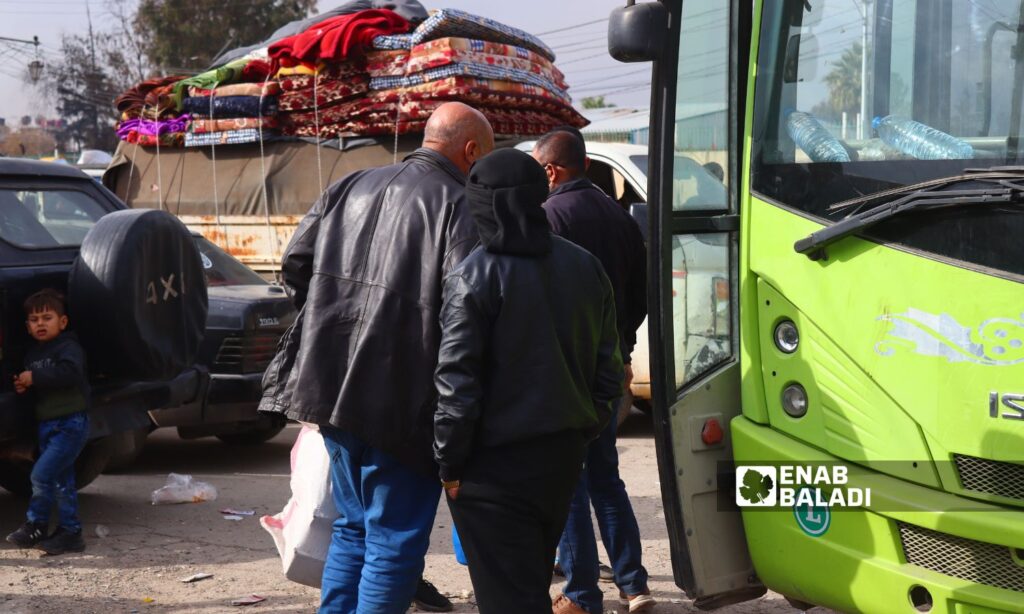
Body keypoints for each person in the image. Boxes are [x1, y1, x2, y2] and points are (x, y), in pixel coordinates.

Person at [258, 101, 494, 614]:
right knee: (392, 538)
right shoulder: (461, 206)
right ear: (469, 150)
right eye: (482, 158)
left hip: (331, 386)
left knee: (353, 526)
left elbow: (295, 263)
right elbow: (466, 314)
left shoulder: (352, 184)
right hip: (402, 400)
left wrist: (330, 323)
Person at [433, 148, 623, 613]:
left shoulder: (472, 277)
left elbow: (457, 385)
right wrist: (583, 429)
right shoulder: (584, 266)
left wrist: (450, 465)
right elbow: (609, 369)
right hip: (560, 460)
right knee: (528, 586)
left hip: (490, 468)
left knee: (508, 598)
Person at [532, 130, 654, 614]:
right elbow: (641, 296)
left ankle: (581, 594)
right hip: (610, 371)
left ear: (551, 170)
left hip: (568, 373)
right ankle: (634, 584)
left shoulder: (548, 218)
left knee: (569, 483)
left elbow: (546, 301)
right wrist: (620, 349)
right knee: (607, 478)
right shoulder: (619, 218)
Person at [5, 289, 90, 556]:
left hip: (70, 424)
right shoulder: (32, 354)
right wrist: (24, 384)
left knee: (41, 475)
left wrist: (36, 377)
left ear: (62, 322)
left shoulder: (68, 347)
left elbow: (71, 373)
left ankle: (36, 524)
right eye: (34, 319)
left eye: (47, 317)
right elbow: (39, 382)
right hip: (48, 426)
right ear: (27, 326)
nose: (40, 323)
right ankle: (70, 533)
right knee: (61, 481)